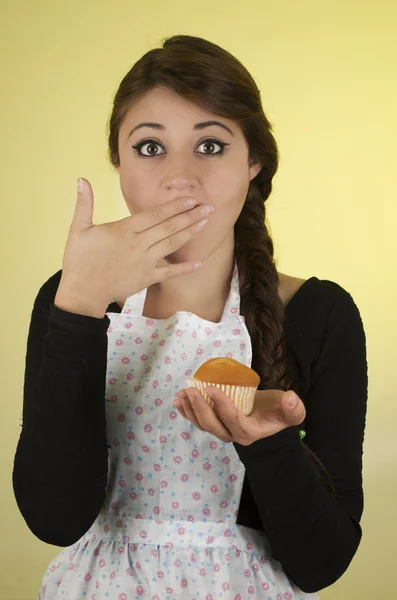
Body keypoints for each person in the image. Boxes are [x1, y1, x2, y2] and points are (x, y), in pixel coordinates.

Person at [13, 34, 368, 600]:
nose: (180, 178)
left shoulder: (321, 315)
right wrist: (78, 309)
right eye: (150, 148)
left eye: (210, 146)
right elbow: (54, 519)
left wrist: (269, 447)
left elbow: (321, 564)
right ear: (119, 164)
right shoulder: (72, 299)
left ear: (253, 162)